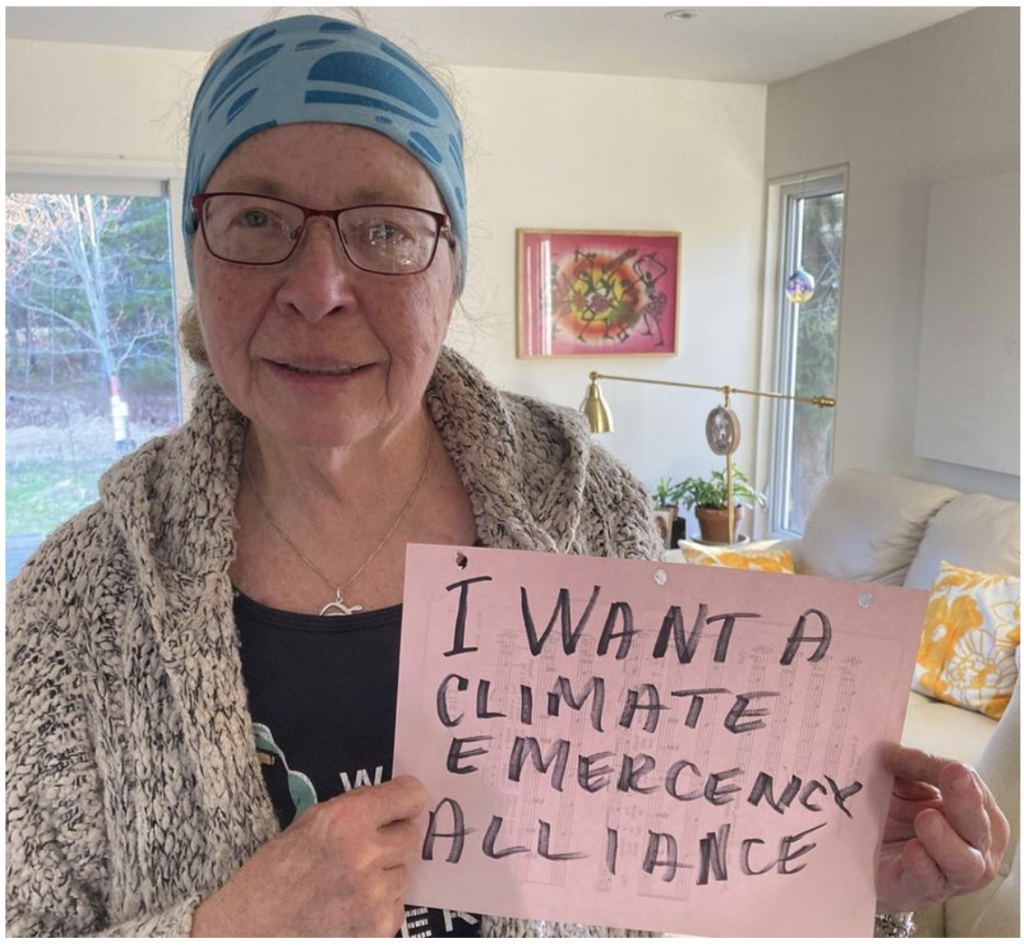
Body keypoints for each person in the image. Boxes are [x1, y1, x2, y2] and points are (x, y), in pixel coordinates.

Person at [5, 14, 1008, 939]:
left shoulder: (597, 517)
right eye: (258, 219)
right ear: (194, 246)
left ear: (453, 269)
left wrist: (835, 872)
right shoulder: (71, 610)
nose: (318, 288)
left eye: (386, 228)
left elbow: (671, 864)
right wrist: (220, 931)